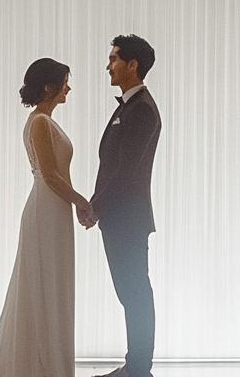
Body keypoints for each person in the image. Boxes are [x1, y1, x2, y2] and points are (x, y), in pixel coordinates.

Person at [0, 58, 96, 377]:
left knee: (51, 284)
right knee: (45, 285)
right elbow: (50, 175)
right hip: (47, 207)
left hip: (53, 208)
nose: (68, 87)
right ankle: (44, 364)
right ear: (49, 86)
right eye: (65, 81)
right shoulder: (40, 123)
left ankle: (46, 362)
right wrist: (83, 202)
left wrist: (76, 205)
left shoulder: (42, 121)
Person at [89, 35, 160, 377]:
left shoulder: (142, 109)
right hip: (118, 218)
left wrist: (95, 206)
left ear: (133, 65)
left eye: (114, 58)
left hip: (127, 218)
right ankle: (135, 365)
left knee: (135, 293)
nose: (108, 65)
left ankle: (138, 368)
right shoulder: (130, 107)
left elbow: (126, 169)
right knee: (130, 292)